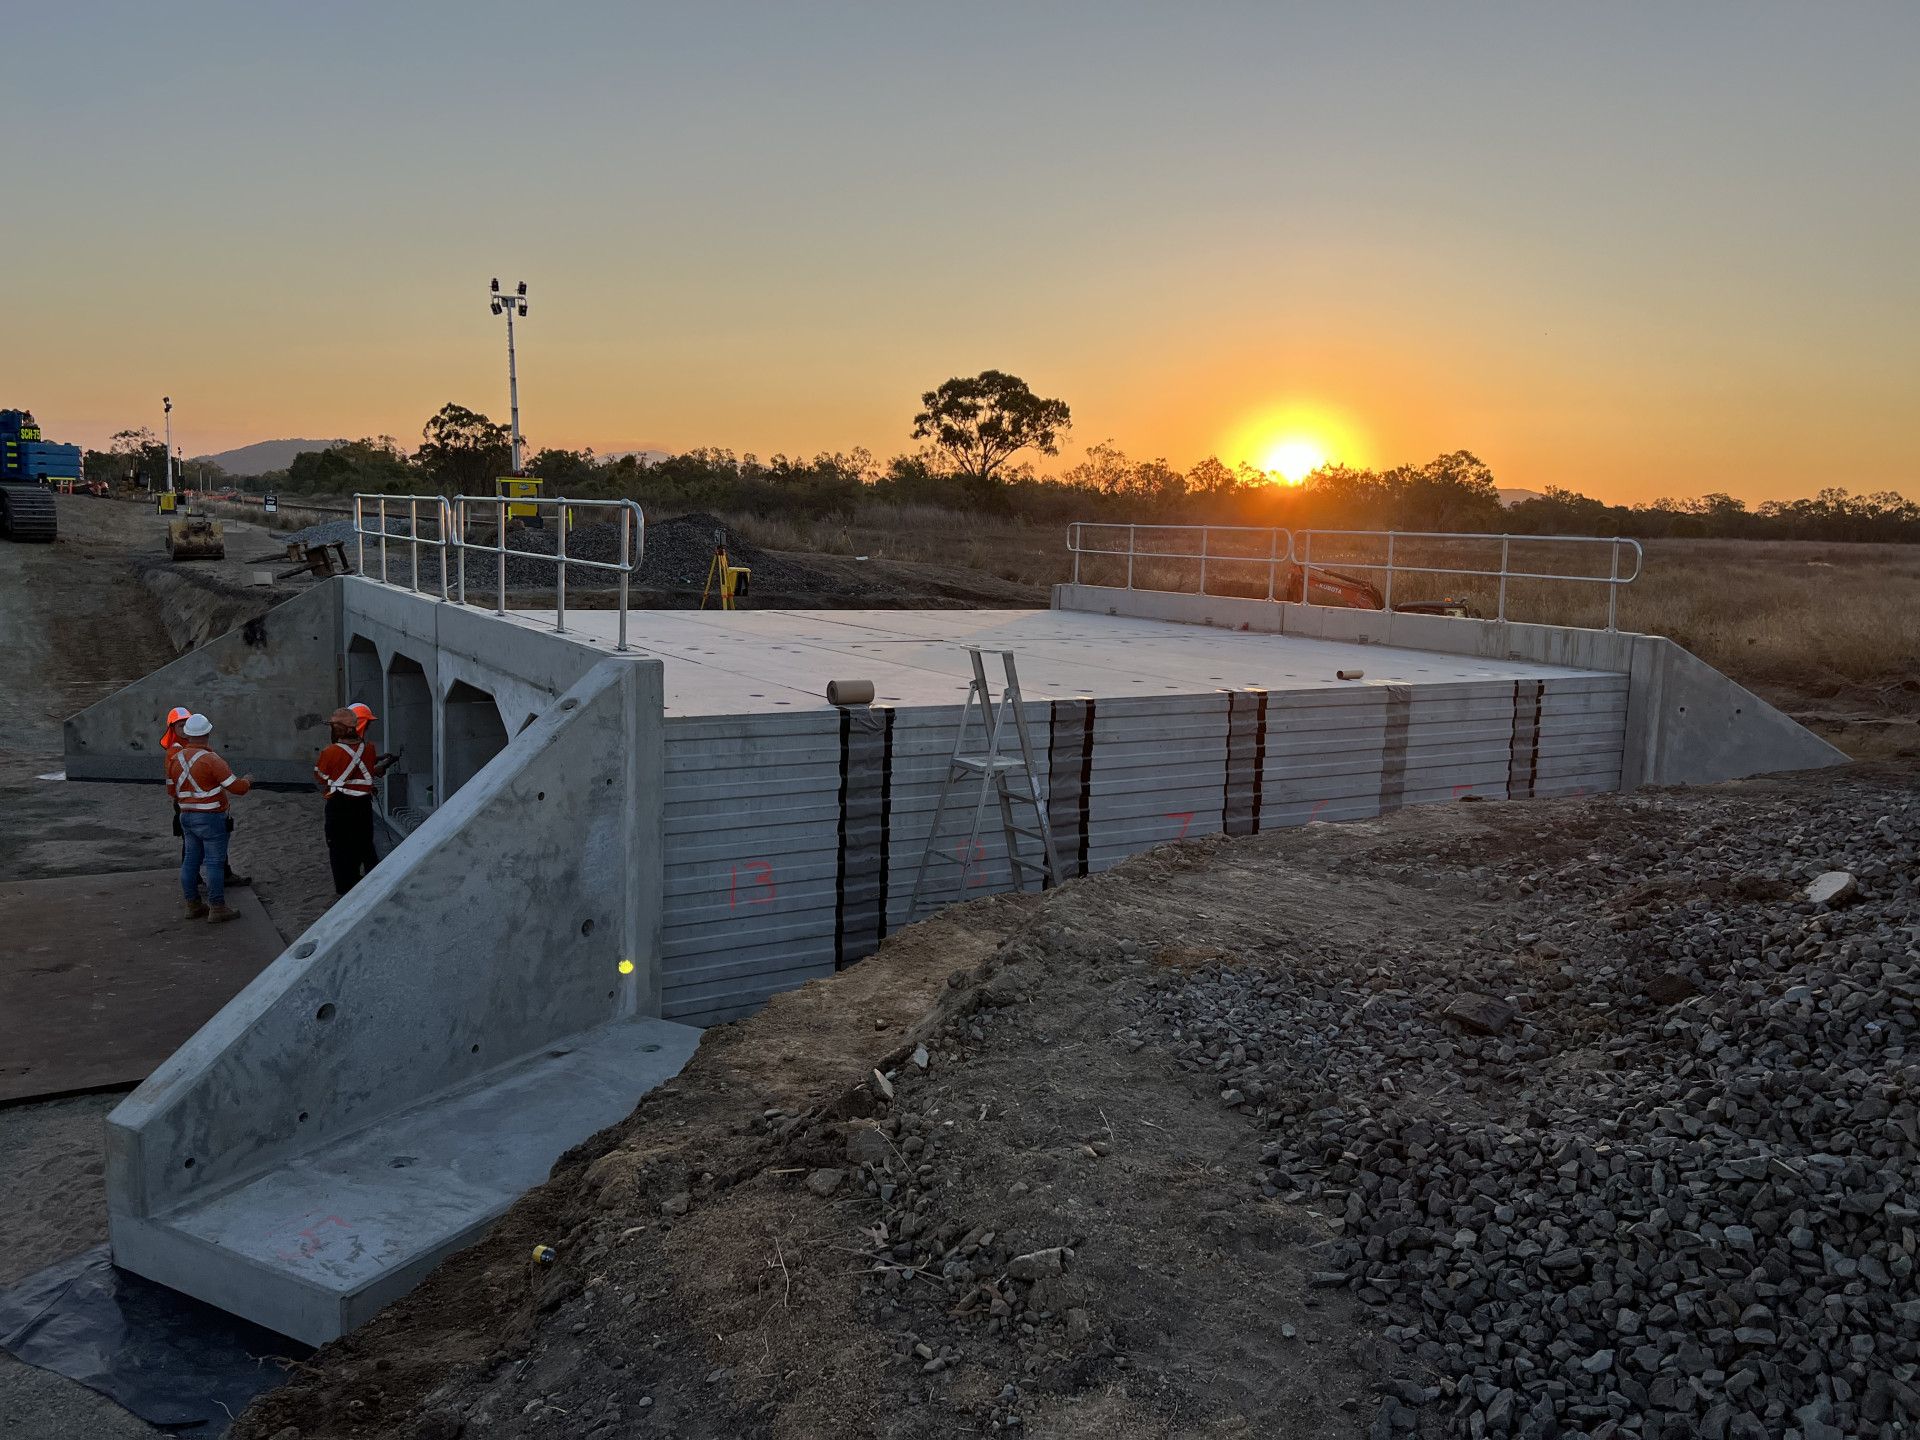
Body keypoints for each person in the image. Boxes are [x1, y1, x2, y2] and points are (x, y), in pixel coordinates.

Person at [167, 713, 252, 922]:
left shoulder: (174, 759)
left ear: (187, 734)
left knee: (190, 861)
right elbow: (237, 788)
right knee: (214, 863)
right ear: (208, 732)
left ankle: (193, 905)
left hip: (186, 816)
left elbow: (172, 791)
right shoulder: (212, 759)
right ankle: (217, 907)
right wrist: (248, 781)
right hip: (211, 818)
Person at [314, 706, 396, 896]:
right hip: (362, 805)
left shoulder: (330, 752)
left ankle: (345, 887)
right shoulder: (368, 749)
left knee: (339, 846)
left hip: (339, 805)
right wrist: (382, 764)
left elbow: (320, 776)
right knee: (364, 842)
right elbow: (366, 768)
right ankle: (370, 882)